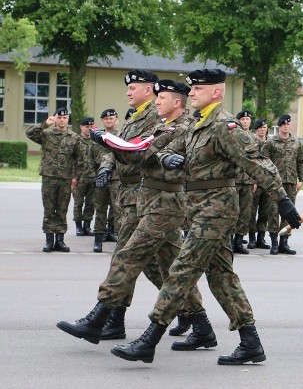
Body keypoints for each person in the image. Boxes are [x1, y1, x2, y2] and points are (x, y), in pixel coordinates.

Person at [107, 69, 301, 365]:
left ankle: (150, 338)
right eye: (191, 89)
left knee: (182, 270)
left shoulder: (226, 126)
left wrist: (283, 201)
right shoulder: (198, 125)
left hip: (217, 209)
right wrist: (165, 157)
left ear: (216, 93)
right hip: (199, 207)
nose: (192, 93)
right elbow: (163, 148)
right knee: (221, 277)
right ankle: (250, 343)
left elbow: (258, 163)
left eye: (198, 89)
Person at [57, 79, 212, 348]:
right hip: (149, 199)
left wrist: (112, 142)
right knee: (171, 268)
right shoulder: (163, 125)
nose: (157, 101)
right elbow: (138, 149)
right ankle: (200, 325)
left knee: (128, 256)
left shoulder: (184, 126)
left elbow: (144, 151)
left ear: (176, 102)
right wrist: (109, 147)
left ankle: (100, 318)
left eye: (161, 97)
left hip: (166, 201)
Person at [57, 70, 170, 341]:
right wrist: (107, 166)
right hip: (130, 196)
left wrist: (109, 148)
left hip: (146, 195)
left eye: (134, 87)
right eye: (128, 88)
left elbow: (135, 151)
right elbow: (116, 147)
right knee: (154, 264)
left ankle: (102, 318)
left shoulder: (156, 117)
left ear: (149, 89)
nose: (128, 92)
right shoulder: (134, 117)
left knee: (129, 258)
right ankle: (195, 319)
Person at [26, 107, 80, 252]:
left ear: (68, 119)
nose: (62, 120)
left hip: (65, 178)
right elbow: (30, 133)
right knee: (49, 209)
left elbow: (78, 159)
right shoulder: (46, 135)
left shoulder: (74, 137)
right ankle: (49, 240)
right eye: (59, 117)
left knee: (62, 209)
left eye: (65, 117)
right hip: (49, 177)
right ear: (55, 118)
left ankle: (60, 240)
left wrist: (74, 177)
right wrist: (45, 124)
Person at [262, 114, 303, 255]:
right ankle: (274, 242)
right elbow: (264, 161)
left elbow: (300, 162)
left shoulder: (296, 142)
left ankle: (284, 242)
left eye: (288, 124)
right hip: (275, 183)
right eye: (284, 124)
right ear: (279, 126)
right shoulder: (271, 143)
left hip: (291, 182)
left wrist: (302, 179)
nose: (286, 126)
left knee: (289, 213)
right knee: (273, 212)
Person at [90, 109, 121, 252]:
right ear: (102, 121)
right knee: (100, 208)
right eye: (106, 119)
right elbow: (90, 159)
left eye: (112, 118)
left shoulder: (122, 136)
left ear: (117, 120)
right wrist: (92, 176)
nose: (109, 121)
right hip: (100, 177)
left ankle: (119, 238)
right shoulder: (96, 137)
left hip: (116, 178)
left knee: (118, 209)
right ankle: (98, 240)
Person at [232, 109, 255, 254]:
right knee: (232, 212)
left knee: (245, 213)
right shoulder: (233, 136)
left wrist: (255, 180)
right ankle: (229, 241)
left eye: (247, 120)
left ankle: (239, 241)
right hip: (234, 180)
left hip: (248, 180)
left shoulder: (254, 139)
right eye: (243, 119)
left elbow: (256, 160)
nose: (245, 122)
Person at [247, 118, 272, 250]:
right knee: (252, 211)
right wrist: (253, 181)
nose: (263, 130)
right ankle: (251, 237)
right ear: (256, 129)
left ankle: (261, 238)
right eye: (261, 128)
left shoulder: (270, 144)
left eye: (265, 128)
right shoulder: (251, 142)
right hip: (255, 182)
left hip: (266, 182)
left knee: (265, 212)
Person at [73, 117, 97, 237]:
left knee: (90, 203)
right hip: (79, 177)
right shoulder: (75, 140)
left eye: (91, 127)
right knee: (78, 203)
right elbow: (71, 159)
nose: (89, 129)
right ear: (81, 127)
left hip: (92, 176)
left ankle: (87, 226)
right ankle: (78, 227)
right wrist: (73, 176)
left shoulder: (95, 141)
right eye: (87, 127)